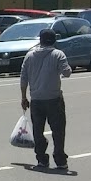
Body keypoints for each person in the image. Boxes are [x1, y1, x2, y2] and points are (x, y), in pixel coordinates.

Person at [20, 28, 73, 170]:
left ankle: (42, 158)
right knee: (58, 130)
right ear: (54, 40)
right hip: (54, 98)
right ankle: (60, 160)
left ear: (40, 40)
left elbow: (23, 77)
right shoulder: (58, 54)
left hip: (36, 99)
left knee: (38, 131)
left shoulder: (29, 56)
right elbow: (67, 72)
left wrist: (24, 97)